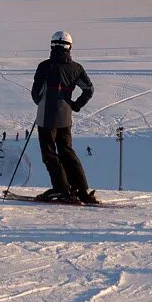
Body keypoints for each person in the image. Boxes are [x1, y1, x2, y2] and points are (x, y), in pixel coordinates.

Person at [29, 30, 97, 204]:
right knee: (67, 151)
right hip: (66, 117)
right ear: (69, 47)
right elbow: (89, 89)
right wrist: (75, 105)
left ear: (52, 45)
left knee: (50, 154)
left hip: (46, 118)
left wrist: (42, 103)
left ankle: (61, 189)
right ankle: (81, 189)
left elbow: (35, 93)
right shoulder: (76, 69)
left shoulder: (44, 66)